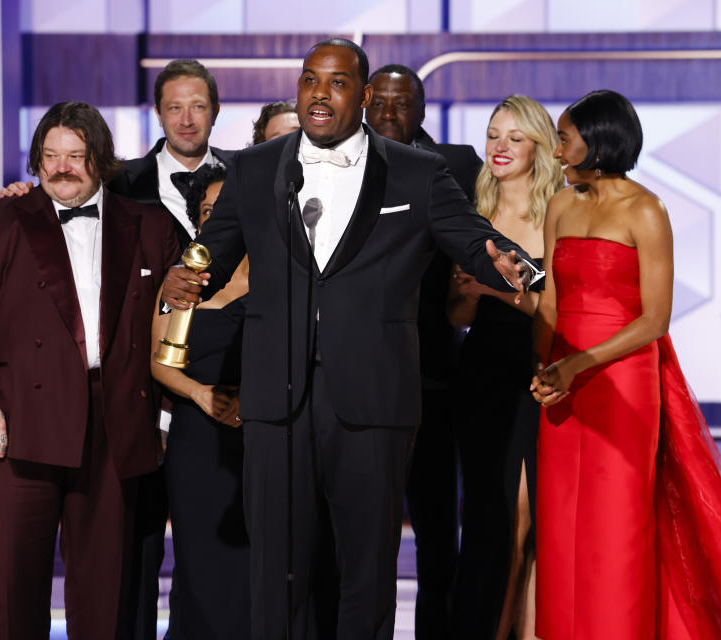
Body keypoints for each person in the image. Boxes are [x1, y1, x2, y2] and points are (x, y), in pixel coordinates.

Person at [160, 38, 540, 640]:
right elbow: (215, 254)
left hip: (373, 400)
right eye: (311, 79)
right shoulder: (257, 169)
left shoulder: (417, 171)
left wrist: (514, 265)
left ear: (363, 96)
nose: (319, 92)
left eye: (337, 83)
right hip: (275, 402)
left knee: (366, 569)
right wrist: (188, 278)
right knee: (276, 568)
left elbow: (474, 240)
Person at [531, 90, 721, 640]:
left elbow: (655, 320)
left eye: (564, 138)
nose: (555, 150)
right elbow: (550, 297)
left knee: (616, 525)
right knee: (560, 525)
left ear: (596, 142)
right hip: (561, 383)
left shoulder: (645, 209)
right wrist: (545, 365)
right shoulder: (560, 205)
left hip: (621, 382)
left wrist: (579, 365)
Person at [0, 59, 235, 639]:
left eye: (197, 105)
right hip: (106, 395)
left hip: (186, 381)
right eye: (174, 105)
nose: (186, 117)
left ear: (215, 112)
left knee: (196, 543)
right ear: (157, 113)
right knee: (122, 551)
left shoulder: (247, 178)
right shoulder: (117, 180)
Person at [0, 101, 180, 640]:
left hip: (114, 423)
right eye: (50, 156)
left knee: (104, 587)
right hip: (15, 424)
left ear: (100, 160)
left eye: (75, 155)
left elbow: (180, 318)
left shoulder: (148, 224)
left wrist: (163, 414)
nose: (61, 167)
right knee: (15, 583)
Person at [364, 63, 482, 639]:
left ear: (422, 110)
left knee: (439, 538)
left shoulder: (457, 166)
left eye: (401, 103)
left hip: (433, 381)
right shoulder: (338, 167)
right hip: (354, 385)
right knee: (362, 540)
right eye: (379, 102)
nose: (389, 114)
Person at [446, 95, 563, 640]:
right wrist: (470, 294)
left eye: (515, 138)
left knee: (533, 523)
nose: (500, 147)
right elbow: (460, 312)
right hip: (485, 374)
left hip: (544, 376)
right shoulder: (470, 212)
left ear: (539, 146)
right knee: (494, 525)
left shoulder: (562, 210)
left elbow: (557, 309)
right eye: (494, 135)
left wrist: (497, 290)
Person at [150, 164, 252, 639]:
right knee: (200, 557)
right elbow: (159, 363)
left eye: (226, 209)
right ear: (196, 219)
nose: (218, 218)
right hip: (199, 436)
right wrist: (203, 395)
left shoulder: (278, 277)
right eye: (209, 211)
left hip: (264, 433)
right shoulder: (179, 283)